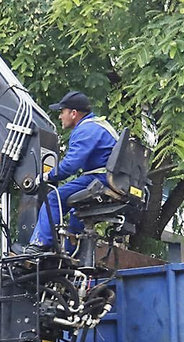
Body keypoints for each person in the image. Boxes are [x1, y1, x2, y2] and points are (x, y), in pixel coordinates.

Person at [29, 89, 120, 253]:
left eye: (62, 112)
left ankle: (39, 245)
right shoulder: (100, 126)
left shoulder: (86, 130)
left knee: (53, 199)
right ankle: (72, 252)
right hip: (109, 178)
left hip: (100, 178)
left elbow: (70, 165)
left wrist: (47, 176)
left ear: (73, 113)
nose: (59, 117)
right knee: (76, 211)